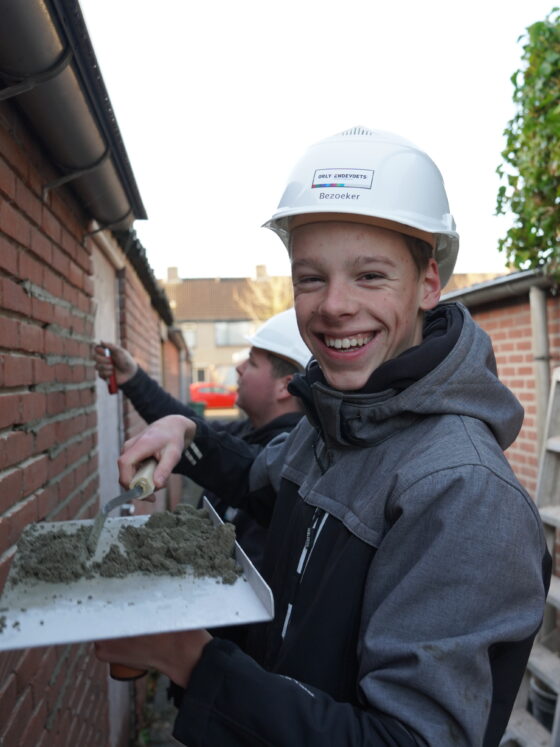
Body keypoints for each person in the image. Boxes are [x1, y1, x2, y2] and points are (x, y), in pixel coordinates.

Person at [95, 126, 550, 746]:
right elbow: (262, 481)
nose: (334, 305)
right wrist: (186, 433)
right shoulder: (339, 422)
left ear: (429, 284)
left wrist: (192, 661)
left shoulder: (461, 491)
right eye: (310, 278)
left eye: (370, 276)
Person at [94, 308, 310, 567]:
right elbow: (189, 429)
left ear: (285, 386)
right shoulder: (246, 432)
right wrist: (132, 377)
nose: (239, 369)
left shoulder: (291, 468)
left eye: (251, 362)